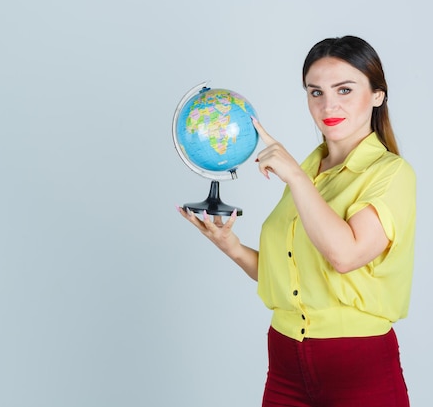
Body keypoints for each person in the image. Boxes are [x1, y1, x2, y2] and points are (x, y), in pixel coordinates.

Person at [177, 35, 416, 407]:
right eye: (315, 92)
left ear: (377, 95)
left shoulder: (390, 173)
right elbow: (290, 275)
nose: (328, 104)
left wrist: (296, 178)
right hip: (285, 360)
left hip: (357, 362)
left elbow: (345, 255)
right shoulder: (310, 169)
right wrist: (232, 247)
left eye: (345, 89)